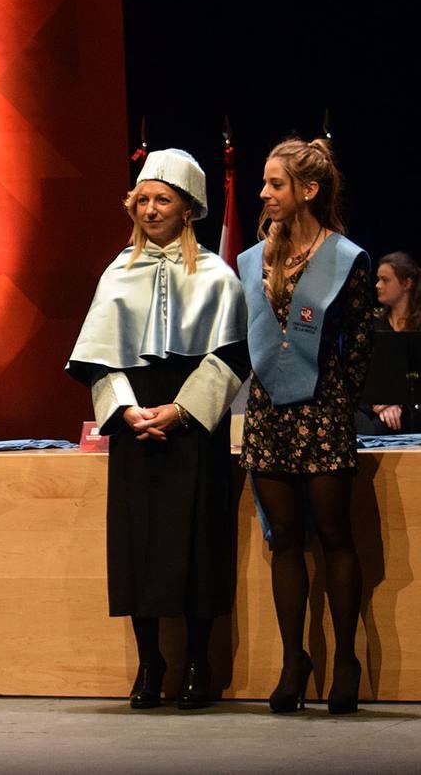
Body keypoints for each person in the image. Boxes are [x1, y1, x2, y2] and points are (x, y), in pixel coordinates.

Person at [66, 150, 249, 710]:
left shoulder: (218, 276)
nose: (149, 209)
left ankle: (197, 662)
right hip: (135, 428)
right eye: (141, 200)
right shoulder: (116, 272)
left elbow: (231, 356)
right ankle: (151, 664)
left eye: (161, 199)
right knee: (137, 546)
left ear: (188, 208)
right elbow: (99, 361)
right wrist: (126, 413)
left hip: (193, 430)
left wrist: (182, 410)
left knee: (198, 541)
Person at [240, 137, 373, 714]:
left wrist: (334, 403)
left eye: (275, 184)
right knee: (285, 541)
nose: (264, 193)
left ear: (308, 190)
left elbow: (361, 345)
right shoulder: (252, 260)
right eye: (265, 183)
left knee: (335, 536)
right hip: (269, 417)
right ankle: (295, 658)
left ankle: (346, 657)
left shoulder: (346, 257)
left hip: (322, 413)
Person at [358, 251, 419, 434]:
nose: (377, 285)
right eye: (378, 279)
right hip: (374, 407)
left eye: (385, 280)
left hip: (411, 407)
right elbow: (360, 372)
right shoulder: (372, 324)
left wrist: (397, 402)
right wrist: (380, 404)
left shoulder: (418, 326)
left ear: (406, 284)